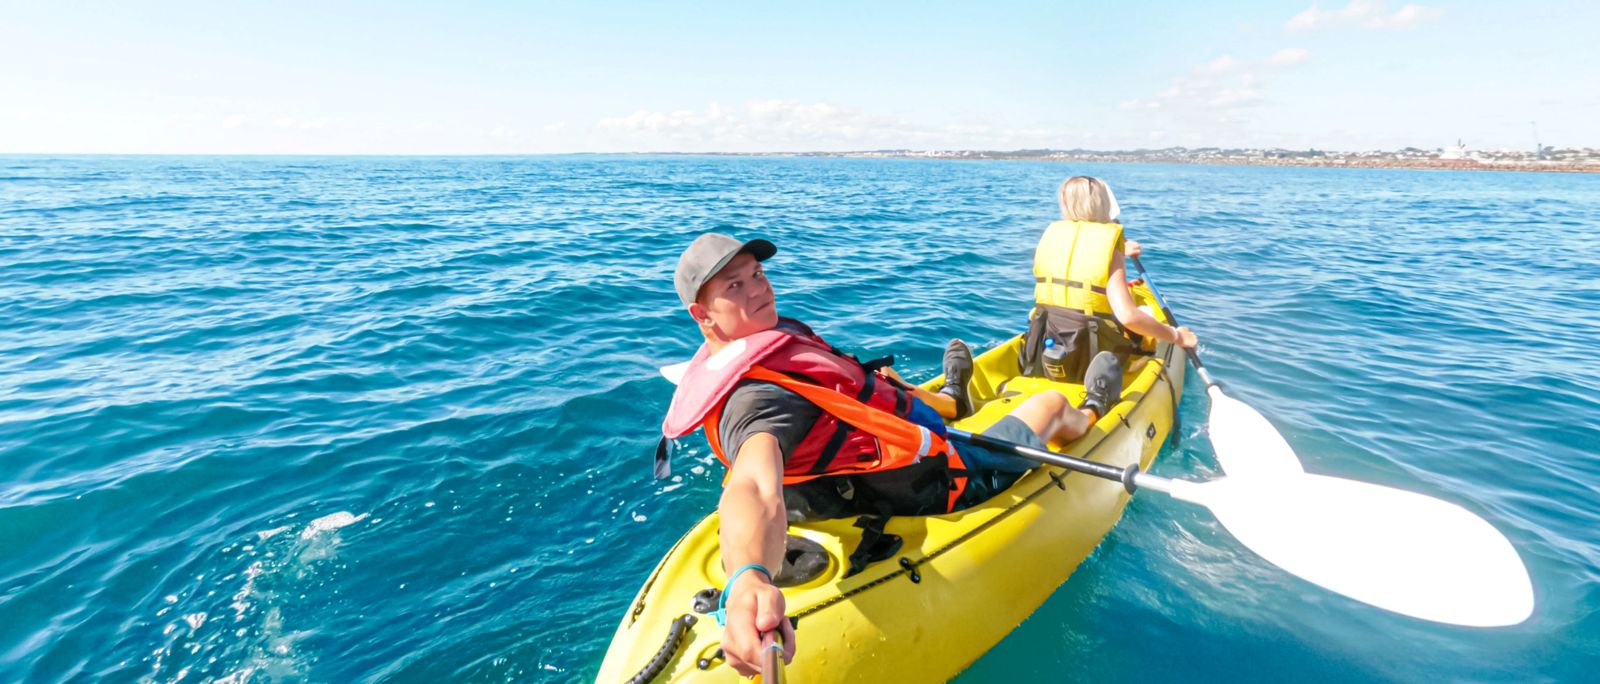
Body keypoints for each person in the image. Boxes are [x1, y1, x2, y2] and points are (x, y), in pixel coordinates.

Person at [659, 232, 1125, 676]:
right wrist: (748, 578)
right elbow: (754, 483)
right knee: (1049, 404)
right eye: (735, 286)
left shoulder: (762, 343)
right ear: (703, 314)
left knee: (889, 389)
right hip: (931, 483)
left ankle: (954, 398)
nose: (758, 288)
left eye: (758, 274)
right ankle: (1087, 411)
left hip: (843, 477)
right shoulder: (758, 400)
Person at [1023, 176, 1198, 379]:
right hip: (1088, 348)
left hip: (1048, 334)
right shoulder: (1109, 242)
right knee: (1143, 315)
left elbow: (1078, 264)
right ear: (1102, 202)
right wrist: (1176, 336)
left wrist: (1120, 250)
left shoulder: (1052, 236)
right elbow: (1128, 316)